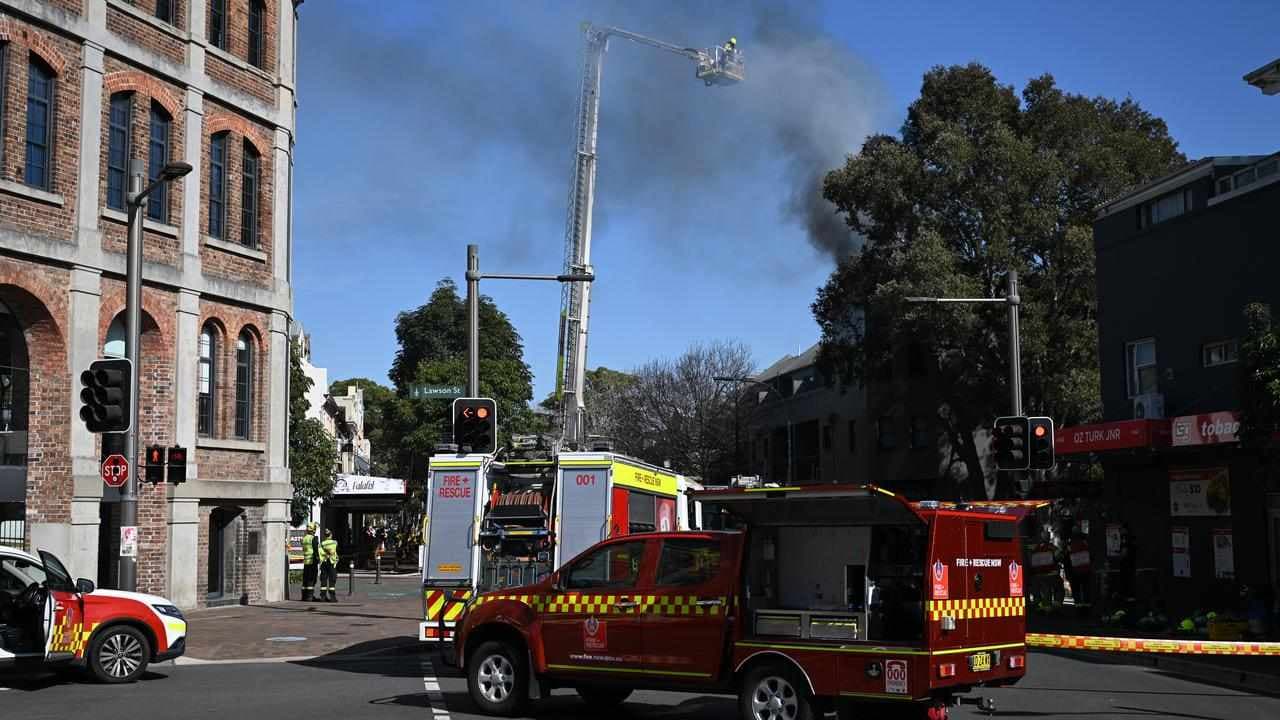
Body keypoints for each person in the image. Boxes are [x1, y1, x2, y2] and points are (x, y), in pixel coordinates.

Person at [319, 528, 340, 602]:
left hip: (324, 562)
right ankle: (332, 597)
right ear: (330, 535)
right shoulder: (334, 542)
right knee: (332, 580)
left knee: (323, 580)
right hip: (331, 563)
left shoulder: (322, 543)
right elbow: (334, 550)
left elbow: (320, 553)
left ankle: (323, 597)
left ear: (325, 536)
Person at [300, 522, 319, 602]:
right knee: (312, 579)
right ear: (313, 530)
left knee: (305, 579)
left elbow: (304, 549)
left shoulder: (304, 538)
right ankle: (310, 597)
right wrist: (318, 558)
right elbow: (315, 550)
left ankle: (304, 596)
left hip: (306, 561)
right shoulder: (313, 538)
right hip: (312, 561)